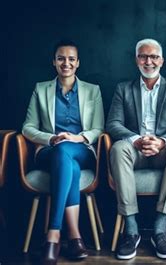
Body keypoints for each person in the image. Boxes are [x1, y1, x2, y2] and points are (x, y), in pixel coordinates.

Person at [106, 38, 166, 260]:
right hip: (134, 150)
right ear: (136, 60)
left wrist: (161, 141)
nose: (149, 61)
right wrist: (135, 140)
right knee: (117, 148)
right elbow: (113, 123)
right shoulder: (123, 89)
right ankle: (131, 230)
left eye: (154, 57)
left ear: (161, 61)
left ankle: (160, 229)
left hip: (163, 150)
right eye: (143, 56)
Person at [22, 40, 104, 265]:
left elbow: (98, 128)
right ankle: (74, 236)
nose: (65, 63)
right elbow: (27, 127)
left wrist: (77, 137)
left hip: (82, 148)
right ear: (54, 62)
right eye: (61, 58)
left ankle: (53, 234)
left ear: (78, 63)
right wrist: (51, 138)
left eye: (70, 59)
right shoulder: (41, 89)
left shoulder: (92, 91)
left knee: (67, 153)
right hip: (49, 150)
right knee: (66, 160)